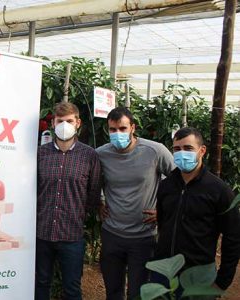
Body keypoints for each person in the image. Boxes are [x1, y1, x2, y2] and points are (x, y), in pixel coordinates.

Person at [96, 107, 174, 300]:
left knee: (138, 293)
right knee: (113, 290)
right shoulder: (101, 154)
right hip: (112, 233)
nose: (117, 134)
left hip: (143, 236)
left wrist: (163, 211)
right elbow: (91, 181)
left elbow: (178, 181)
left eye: (122, 128)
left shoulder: (155, 151)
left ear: (133, 127)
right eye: (112, 129)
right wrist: (99, 201)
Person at [154, 127, 240, 294]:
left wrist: (222, 281)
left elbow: (233, 238)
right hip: (164, 273)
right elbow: (163, 223)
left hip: (198, 276)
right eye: (177, 149)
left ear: (202, 151)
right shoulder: (166, 186)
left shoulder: (219, 191)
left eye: (188, 148)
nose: (181, 153)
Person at [35, 102, 102, 300]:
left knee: (72, 287)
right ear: (53, 123)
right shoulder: (41, 154)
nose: (65, 125)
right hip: (42, 233)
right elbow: (34, 189)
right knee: (40, 283)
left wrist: (79, 215)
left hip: (72, 235)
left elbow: (93, 193)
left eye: (69, 121)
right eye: (60, 121)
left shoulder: (89, 156)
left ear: (78, 123)